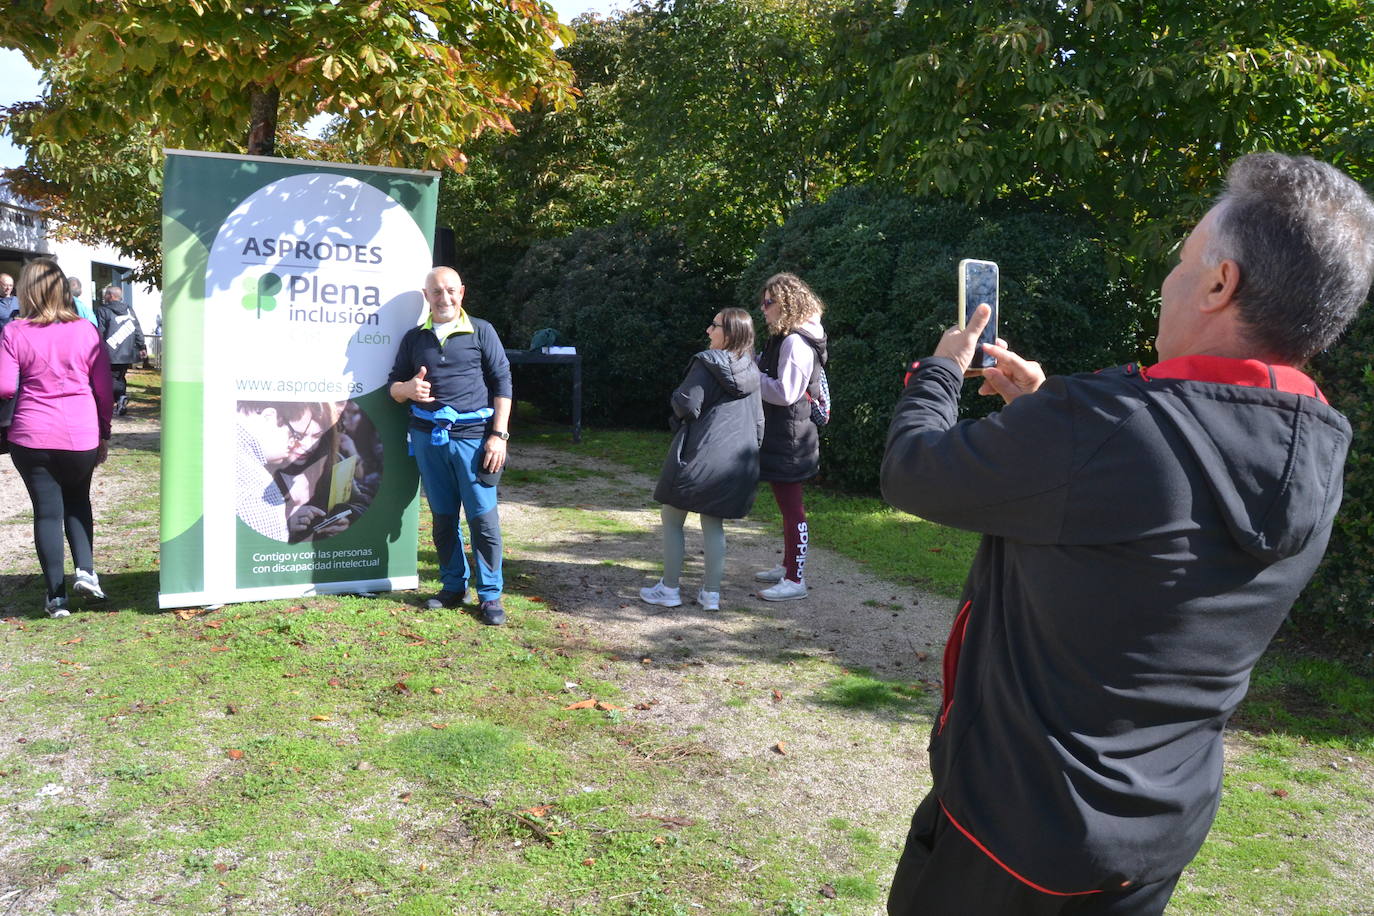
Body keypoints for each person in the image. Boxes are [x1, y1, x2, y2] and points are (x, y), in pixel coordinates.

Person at [879, 153, 1374, 916]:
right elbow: (1152, 526)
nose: (1169, 282)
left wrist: (941, 372)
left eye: (1182, 263)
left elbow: (915, 470)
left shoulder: (1105, 425)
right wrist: (1041, 415)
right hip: (1152, 837)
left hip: (1010, 831)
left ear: (1220, 283)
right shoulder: (1319, 444)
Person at [388, 266, 511, 626]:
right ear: (426, 296)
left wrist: (498, 435)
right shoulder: (414, 339)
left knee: (482, 520)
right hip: (428, 439)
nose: (445, 298)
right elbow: (393, 386)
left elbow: (503, 383)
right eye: (437, 292)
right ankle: (454, 586)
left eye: (451, 291)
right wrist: (408, 389)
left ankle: (490, 595)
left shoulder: (482, 331)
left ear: (462, 292)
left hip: (475, 440)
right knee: (443, 518)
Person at [0, 258, 113, 618]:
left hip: (31, 435)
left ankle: (56, 598)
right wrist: (105, 433)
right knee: (79, 500)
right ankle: (87, 571)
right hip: (80, 433)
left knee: (47, 513)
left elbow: (5, 387)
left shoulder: (14, 332)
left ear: (26, 291)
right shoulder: (87, 330)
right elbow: (104, 391)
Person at [640, 307, 764, 612]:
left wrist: (676, 402)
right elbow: (759, 421)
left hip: (699, 454)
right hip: (735, 460)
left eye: (715, 325)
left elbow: (687, 404)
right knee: (713, 523)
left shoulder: (706, 363)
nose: (708, 330)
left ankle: (669, 589)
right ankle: (711, 595)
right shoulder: (752, 369)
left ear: (731, 332)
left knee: (672, 518)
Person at [753, 272, 827, 601]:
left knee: (792, 507)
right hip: (784, 434)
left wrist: (750, 376)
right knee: (786, 505)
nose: (763, 309)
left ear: (785, 303)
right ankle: (787, 566)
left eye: (768, 303)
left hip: (792, 437)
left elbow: (786, 392)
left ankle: (795, 580)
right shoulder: (784, 337)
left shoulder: (796, 341)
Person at [234, 401, 349, 542]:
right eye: (298, 435)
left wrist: (346, 517)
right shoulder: (256, 473)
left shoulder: (332, 464)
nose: (307, 446)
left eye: (316, 436)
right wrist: (285, 523)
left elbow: (358, 500)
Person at [95, 285, 145, 416]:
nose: (104, 297)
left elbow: (100, 330)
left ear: (111, 296)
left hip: (110, 352)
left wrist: (96, 347)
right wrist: (141, 346)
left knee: (111, 378)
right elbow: (137, 328)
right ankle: (121, 398)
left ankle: (116, 400)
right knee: (120, 377)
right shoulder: (128, 309)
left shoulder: (102, 310)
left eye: (106, 295)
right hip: (127, 352)